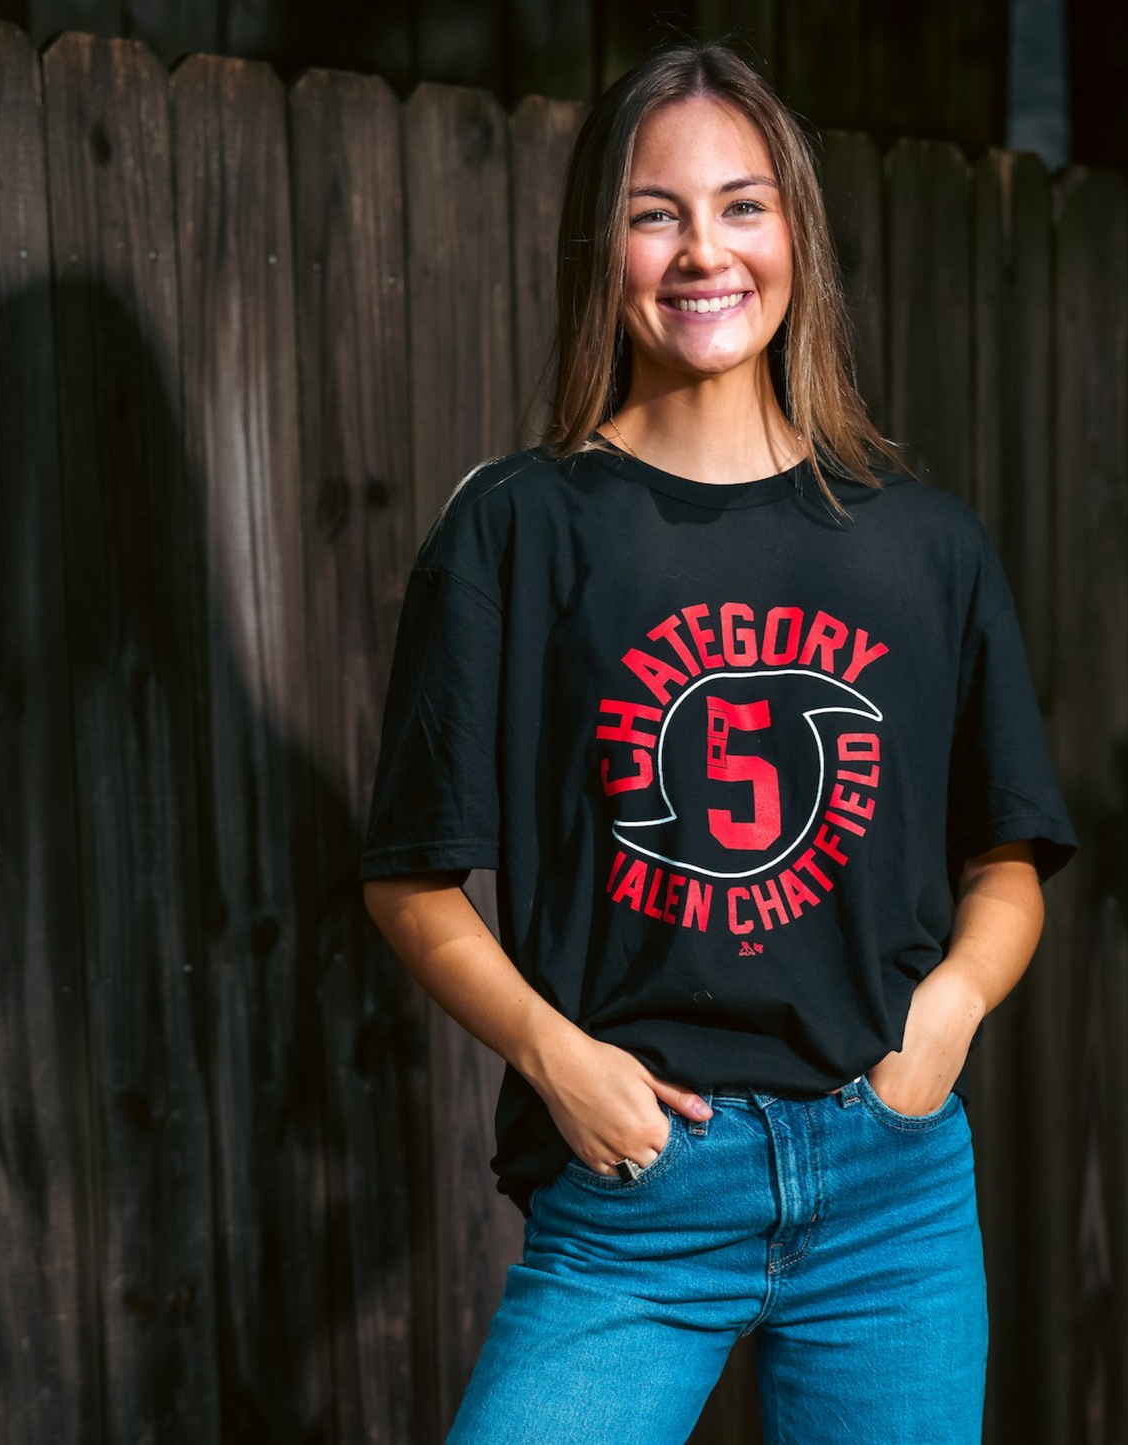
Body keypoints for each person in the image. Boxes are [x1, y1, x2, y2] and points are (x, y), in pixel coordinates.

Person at [360, 40, 1075, 1445]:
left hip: (891, 1187)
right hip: (639, 1196)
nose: (705, 252)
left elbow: (1011, 854)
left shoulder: (921, 542)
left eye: (743, 206)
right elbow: (413, 880)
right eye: (655, 212)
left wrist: (951, 1014)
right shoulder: (515, 528)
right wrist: (555, 1057)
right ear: (603, 245)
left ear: (795, 230)